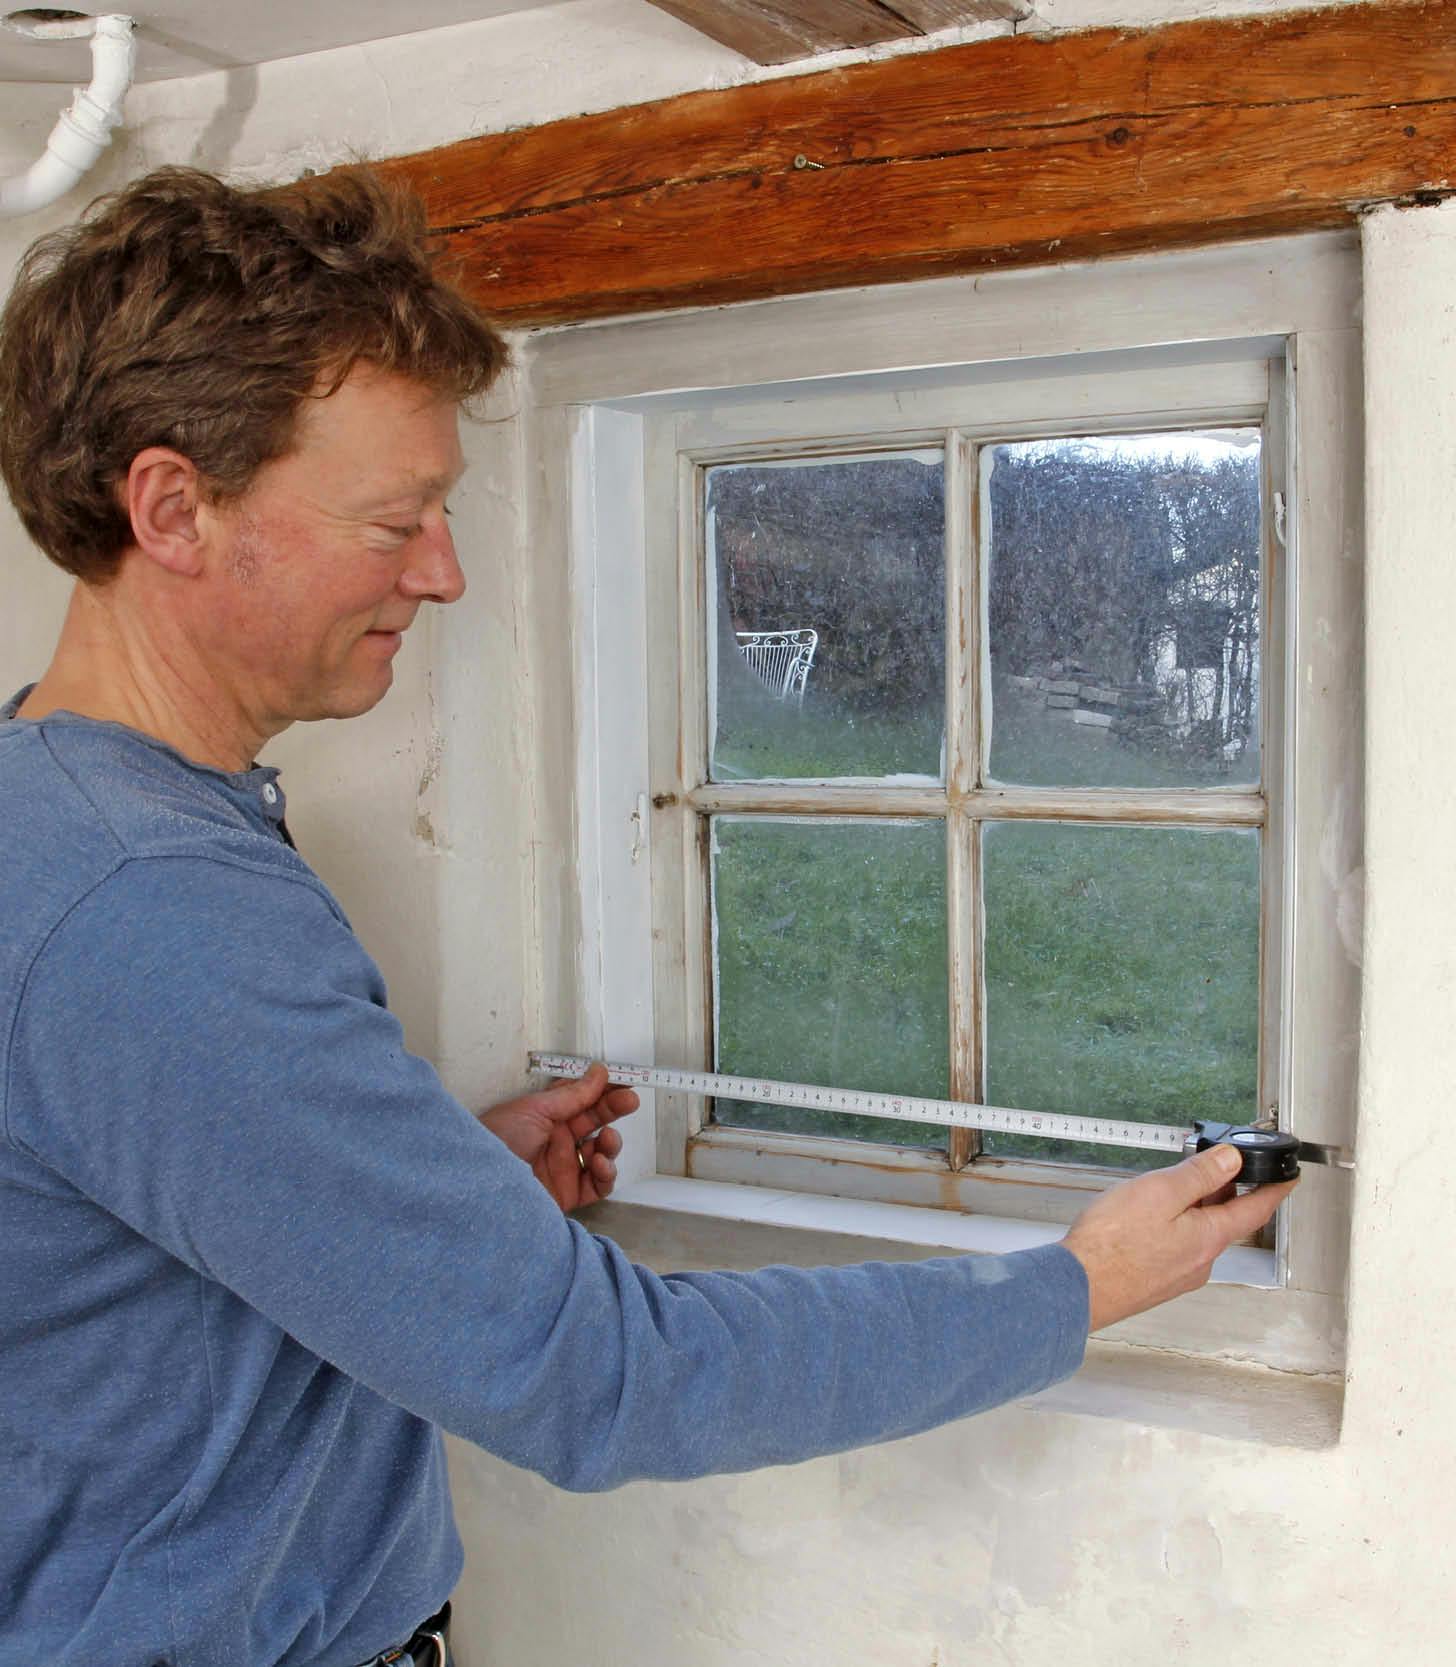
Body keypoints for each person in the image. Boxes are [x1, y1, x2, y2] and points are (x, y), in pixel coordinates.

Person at [0, 167, 1294, 1667]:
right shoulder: (153, 909)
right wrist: (1074, 1289)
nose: (444, 571)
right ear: (173, 509)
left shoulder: (55, 814)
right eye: (396, 519)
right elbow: (609, 1379)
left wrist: (419, 1197)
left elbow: (127, 1246)